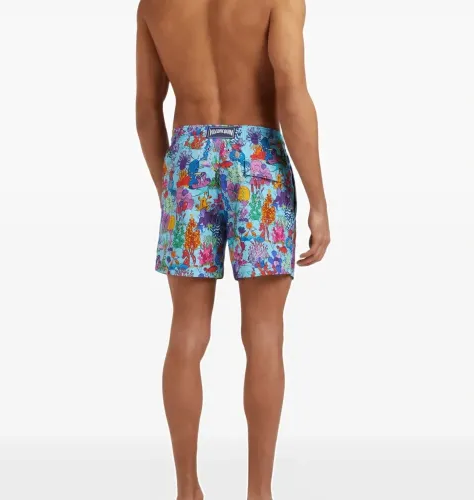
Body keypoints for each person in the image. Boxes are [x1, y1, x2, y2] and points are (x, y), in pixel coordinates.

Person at [136, 0, 330, 498]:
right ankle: (259, 494)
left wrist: (171, 189)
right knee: (264, 334)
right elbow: (291, 93)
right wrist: (318, 200)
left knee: (186, 332)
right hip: (258, 161)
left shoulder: (154, 4)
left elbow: (146, 110)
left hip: (187, 159)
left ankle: (187, 491)